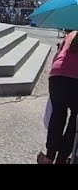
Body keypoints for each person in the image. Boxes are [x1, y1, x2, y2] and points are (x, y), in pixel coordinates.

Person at [37, 30, 78, 164]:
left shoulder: (71, 34)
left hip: (57, 76)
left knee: (58, 115)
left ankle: (49, 158)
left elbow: (57, 57)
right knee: (75, 120)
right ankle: (62, 159)